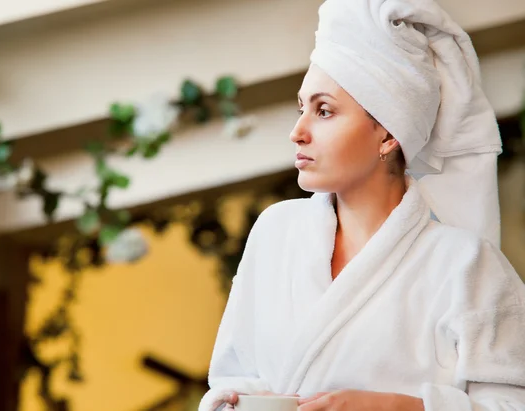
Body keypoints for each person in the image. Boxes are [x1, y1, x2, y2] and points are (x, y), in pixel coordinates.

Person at [198, 0, 525, 410]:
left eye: (324, 111)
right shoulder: (275, 232)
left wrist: (398, 407)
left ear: (387, 134)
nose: (297, 132)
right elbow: (233, 376)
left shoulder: (465, 263)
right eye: (301, 109)